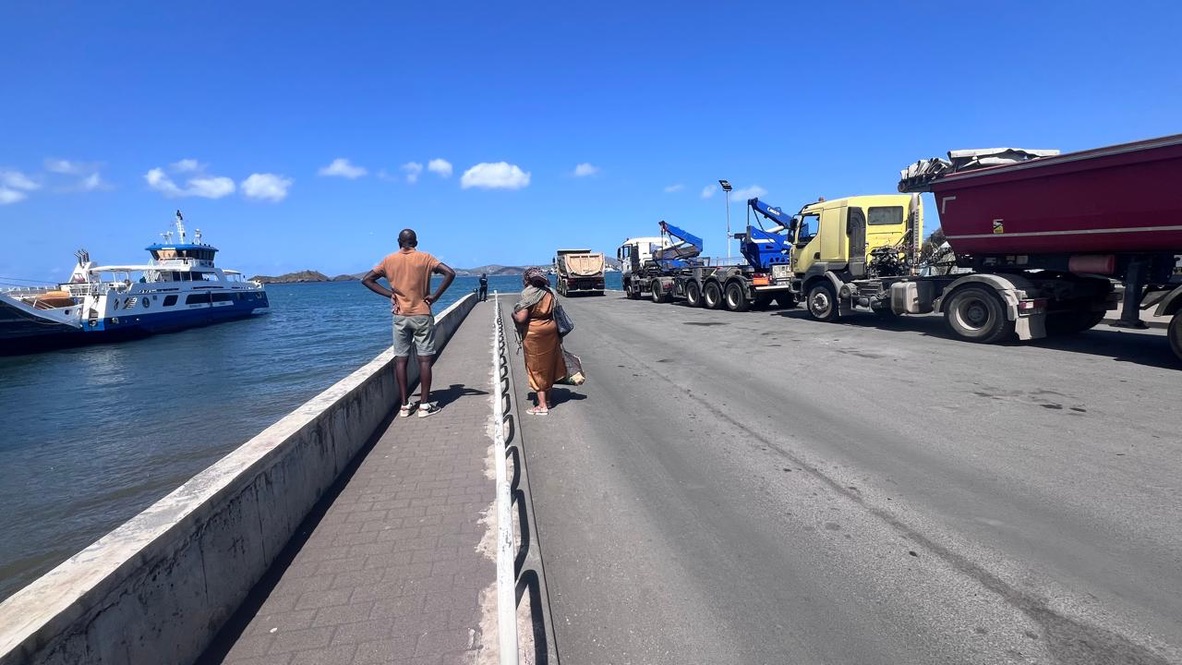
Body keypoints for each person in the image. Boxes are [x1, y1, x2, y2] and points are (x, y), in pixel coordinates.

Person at [363, 228, 456, 418]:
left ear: (399, 242)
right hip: (422, 314)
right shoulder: (425, 258)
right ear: (416, 242)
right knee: (425, 360)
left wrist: (391, 294)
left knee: (401, 360)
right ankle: (424, 405)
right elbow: (450, 273)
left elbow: (367, 280)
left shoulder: (389, 260)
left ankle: (405, 405)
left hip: (400, 316)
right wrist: (435, 296)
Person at [512, 267, 567, 415]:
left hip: (534, 333)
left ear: (527, 280)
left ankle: (542, 406)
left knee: (536, 367)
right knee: (549, 365)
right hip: (551, 330)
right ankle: (547, 400)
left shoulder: (528, 294)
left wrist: (513, 315)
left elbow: (522, 319)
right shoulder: (550, 293)